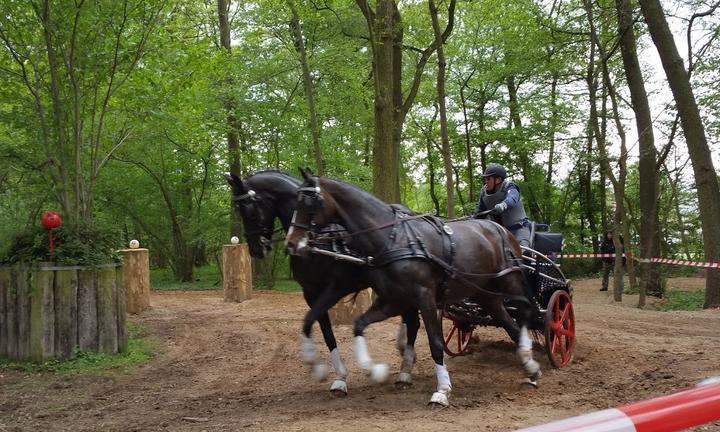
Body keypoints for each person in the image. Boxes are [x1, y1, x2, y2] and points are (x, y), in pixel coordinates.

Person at [472, 163, 531, 247]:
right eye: (485, 179)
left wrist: (503, 205)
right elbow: (479, 212)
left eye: (488, 179)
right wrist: (470, 220)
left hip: (519, 228)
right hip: (500, 232)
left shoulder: (510, 187)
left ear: (498, 179)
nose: (486, 182)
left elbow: (512, 198)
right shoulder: (484, 193)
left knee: (524, 250)